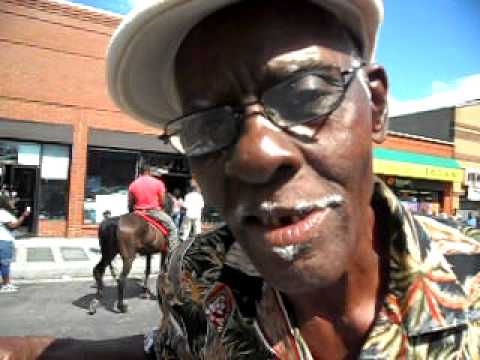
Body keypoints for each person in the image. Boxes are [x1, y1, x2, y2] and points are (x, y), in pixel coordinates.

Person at [2, 0, 480, 358]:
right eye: (207, 126)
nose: (254, 154)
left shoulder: (471, 277)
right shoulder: (195, 273)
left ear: (375, 106)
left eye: (306, 94)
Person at [128, 163, 178, 248]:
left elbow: (130, 203)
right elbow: (162, 202)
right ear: (149, 171)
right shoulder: (158, 183)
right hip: (153, 212)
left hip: (137, 212)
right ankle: (172, 253)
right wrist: (162, 207)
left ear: (140, 172)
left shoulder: (133, 184)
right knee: (173, 229)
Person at [0, 195, 30, 293]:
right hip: (4, 242)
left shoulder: (4, 212)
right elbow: (13, 226)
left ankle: (6, 283)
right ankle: (6, 284)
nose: (12, 202)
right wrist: (24, 216)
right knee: (5, 264)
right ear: (5, 203)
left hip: (3, 241)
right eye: (10, 200)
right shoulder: (2, 213)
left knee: (3, 264)